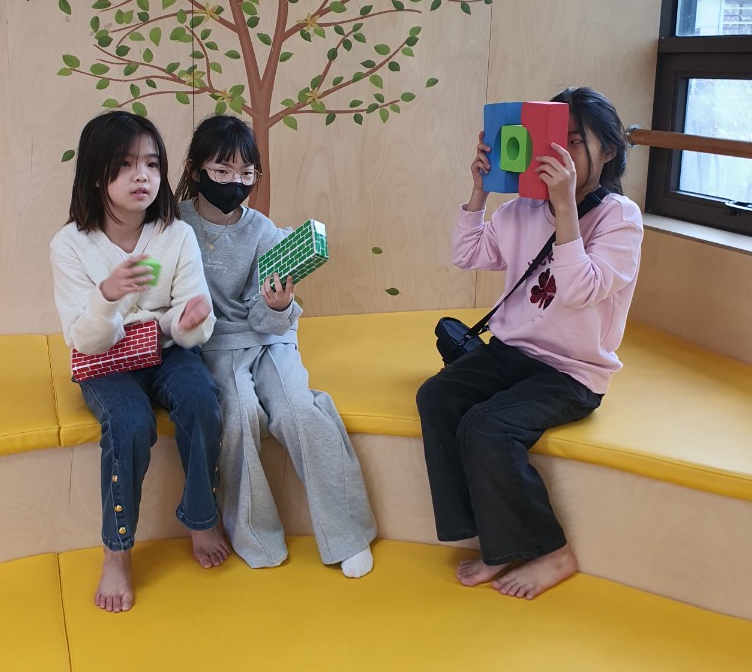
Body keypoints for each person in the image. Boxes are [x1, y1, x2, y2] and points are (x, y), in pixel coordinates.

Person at [416, 87, 643, 599]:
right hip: (513, 351)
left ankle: (552, 551)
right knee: (436, 395)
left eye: (573, 142)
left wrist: (565, 210)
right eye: (552, 139)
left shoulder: (620, 218)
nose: (559, 153)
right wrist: (479, 192)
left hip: (572, 371)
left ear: (608, 150)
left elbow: (579, 289)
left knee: (486, 427)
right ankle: (488, 536)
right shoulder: (522, 208)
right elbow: (468, 253)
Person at [175, 115, 377, 577]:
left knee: (299, 411)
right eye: (222, 170)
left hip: (270, 338)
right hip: (213, 345)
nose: (235, 182)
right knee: (238, 415)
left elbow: (264, 317)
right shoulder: (175, 224)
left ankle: (348, 534)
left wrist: (279, 305)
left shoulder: (264, 231)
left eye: (246, 173)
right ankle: (254, 534)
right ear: (195, 170)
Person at [50, 111, 230, 613]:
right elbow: (85, 341)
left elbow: (191, 319)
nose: (142, 176)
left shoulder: (176, 234)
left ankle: (202, 517)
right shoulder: (70, 246)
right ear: (96, 174)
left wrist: (189, 320)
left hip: (167, 351)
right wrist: (107, 296)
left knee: (201, 399)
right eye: (125, 165)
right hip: (107, 359)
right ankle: (117, 551)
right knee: (129, 424)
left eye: (151, 164)